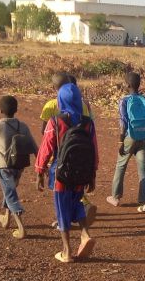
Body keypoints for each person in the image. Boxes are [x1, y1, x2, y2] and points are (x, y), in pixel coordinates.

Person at [36, 83, 99, 262]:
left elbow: (46, 149)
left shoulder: (55, 122)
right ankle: (85, 234)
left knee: (62, 209)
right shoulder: (88, 123)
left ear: (60, 101)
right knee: (77, 203)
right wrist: (92, 174)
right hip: (81, 173)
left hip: (61, 174)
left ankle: (66, 251)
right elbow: (94, 150)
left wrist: (40, 171)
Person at [0, 95, 34, 240]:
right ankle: (6, 218)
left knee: (10, 193)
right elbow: (33, 146)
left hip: (3, 166)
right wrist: (40, 164)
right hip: (19, 166)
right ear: (16, 110)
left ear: (0, 110)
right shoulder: (23, 126)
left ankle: (21, 228)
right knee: (9, 190)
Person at [106, 72, 145, 212]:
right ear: (139, 84)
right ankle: (143, 202)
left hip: (130, 136)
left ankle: (115, 196)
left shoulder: (124, 100)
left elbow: (123, 123)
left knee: (121, 165)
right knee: (143, 170)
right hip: (144, 136)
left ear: (127, 85)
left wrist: (121, 142)